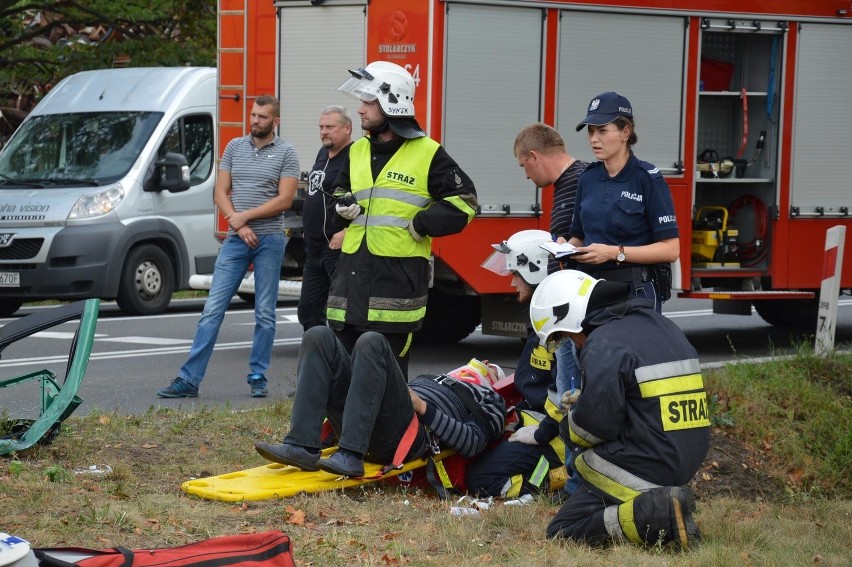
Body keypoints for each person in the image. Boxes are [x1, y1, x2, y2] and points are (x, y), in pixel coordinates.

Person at [531, 269, 710, 548]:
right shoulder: (660, 325)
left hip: (651, 460)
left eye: (565, 336)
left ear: (571, 317)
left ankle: (659, 513)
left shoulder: (603, 342)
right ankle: (664, 501)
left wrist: (568, 422)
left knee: (563, 528)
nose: (574, 344)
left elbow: (593, 427)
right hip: (685, 455)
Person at [327, 61, 478, 379]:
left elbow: (464, 203)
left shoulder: (428, 152)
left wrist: (422, 224)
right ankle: (346, 431)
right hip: (349, 287)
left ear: (391, 102)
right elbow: (337, 190)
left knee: (388, 382)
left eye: (367, 102)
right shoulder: (356, 152)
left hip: (394, 293)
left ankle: (394, 431)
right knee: (342, 378)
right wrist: (342, 205)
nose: (360, 111)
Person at [156, 95, 300, 399]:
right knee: (212, 310)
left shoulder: (287, 152)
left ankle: (258, 375)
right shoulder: (235, 147)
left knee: (264, 312)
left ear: (275, 121)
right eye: (253, 115)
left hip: (269, 240)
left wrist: (243, 216)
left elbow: (284, 200)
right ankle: (189, 379)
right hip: (237, 240)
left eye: (262, 117)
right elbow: (220, 191)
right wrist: (239, 224)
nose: (255, 121)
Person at [254, 326, 505, 478]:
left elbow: (473, 443)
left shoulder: (490, 397)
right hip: (371, 419)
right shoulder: (437, 379)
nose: (483, 363)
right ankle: (302, 445)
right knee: (318, 336)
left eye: (490, 366)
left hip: (406, 435)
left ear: (493, 379)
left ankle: (351, 455)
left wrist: (423, 408)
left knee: (372, 341)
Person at [468, 230, 573, 501]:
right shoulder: (543, 316)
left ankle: (556, 479)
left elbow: (566, 394)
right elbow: (538, 376)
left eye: (516, 274)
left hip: (556, 436)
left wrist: (540, 434)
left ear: (535, 271)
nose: (512, 282)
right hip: (531, 423)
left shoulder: (559, 327)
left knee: (480, 479)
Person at [568, 91, 679, 312]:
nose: (593, 139)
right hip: (589, 291)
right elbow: (578, 238)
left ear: (625, 132)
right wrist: (565, 248)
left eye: (602, 130)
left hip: (634, 293)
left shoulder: (647, 179)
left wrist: (613, 252)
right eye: (590, 131)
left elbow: (671, 250)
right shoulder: (587, 178)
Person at [513, 123, 588, 401]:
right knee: (564, 395)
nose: (525, 175)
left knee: (569, 397)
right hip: (569, 313)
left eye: (524, 165)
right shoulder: (568, 182)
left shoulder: (582, 180)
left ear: (534, 156)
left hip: (575, 314)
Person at [297, 105, 353, 331]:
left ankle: (343, 361)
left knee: (342, 313)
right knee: (308, 311)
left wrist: (346, 232)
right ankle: (319, 360)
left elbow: (369, 201)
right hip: (314, 250)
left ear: (347, 128)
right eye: (321, 127)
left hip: (338, 249)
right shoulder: (323, 153)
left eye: (330, 127)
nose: (324, 132)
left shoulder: (357, 156)